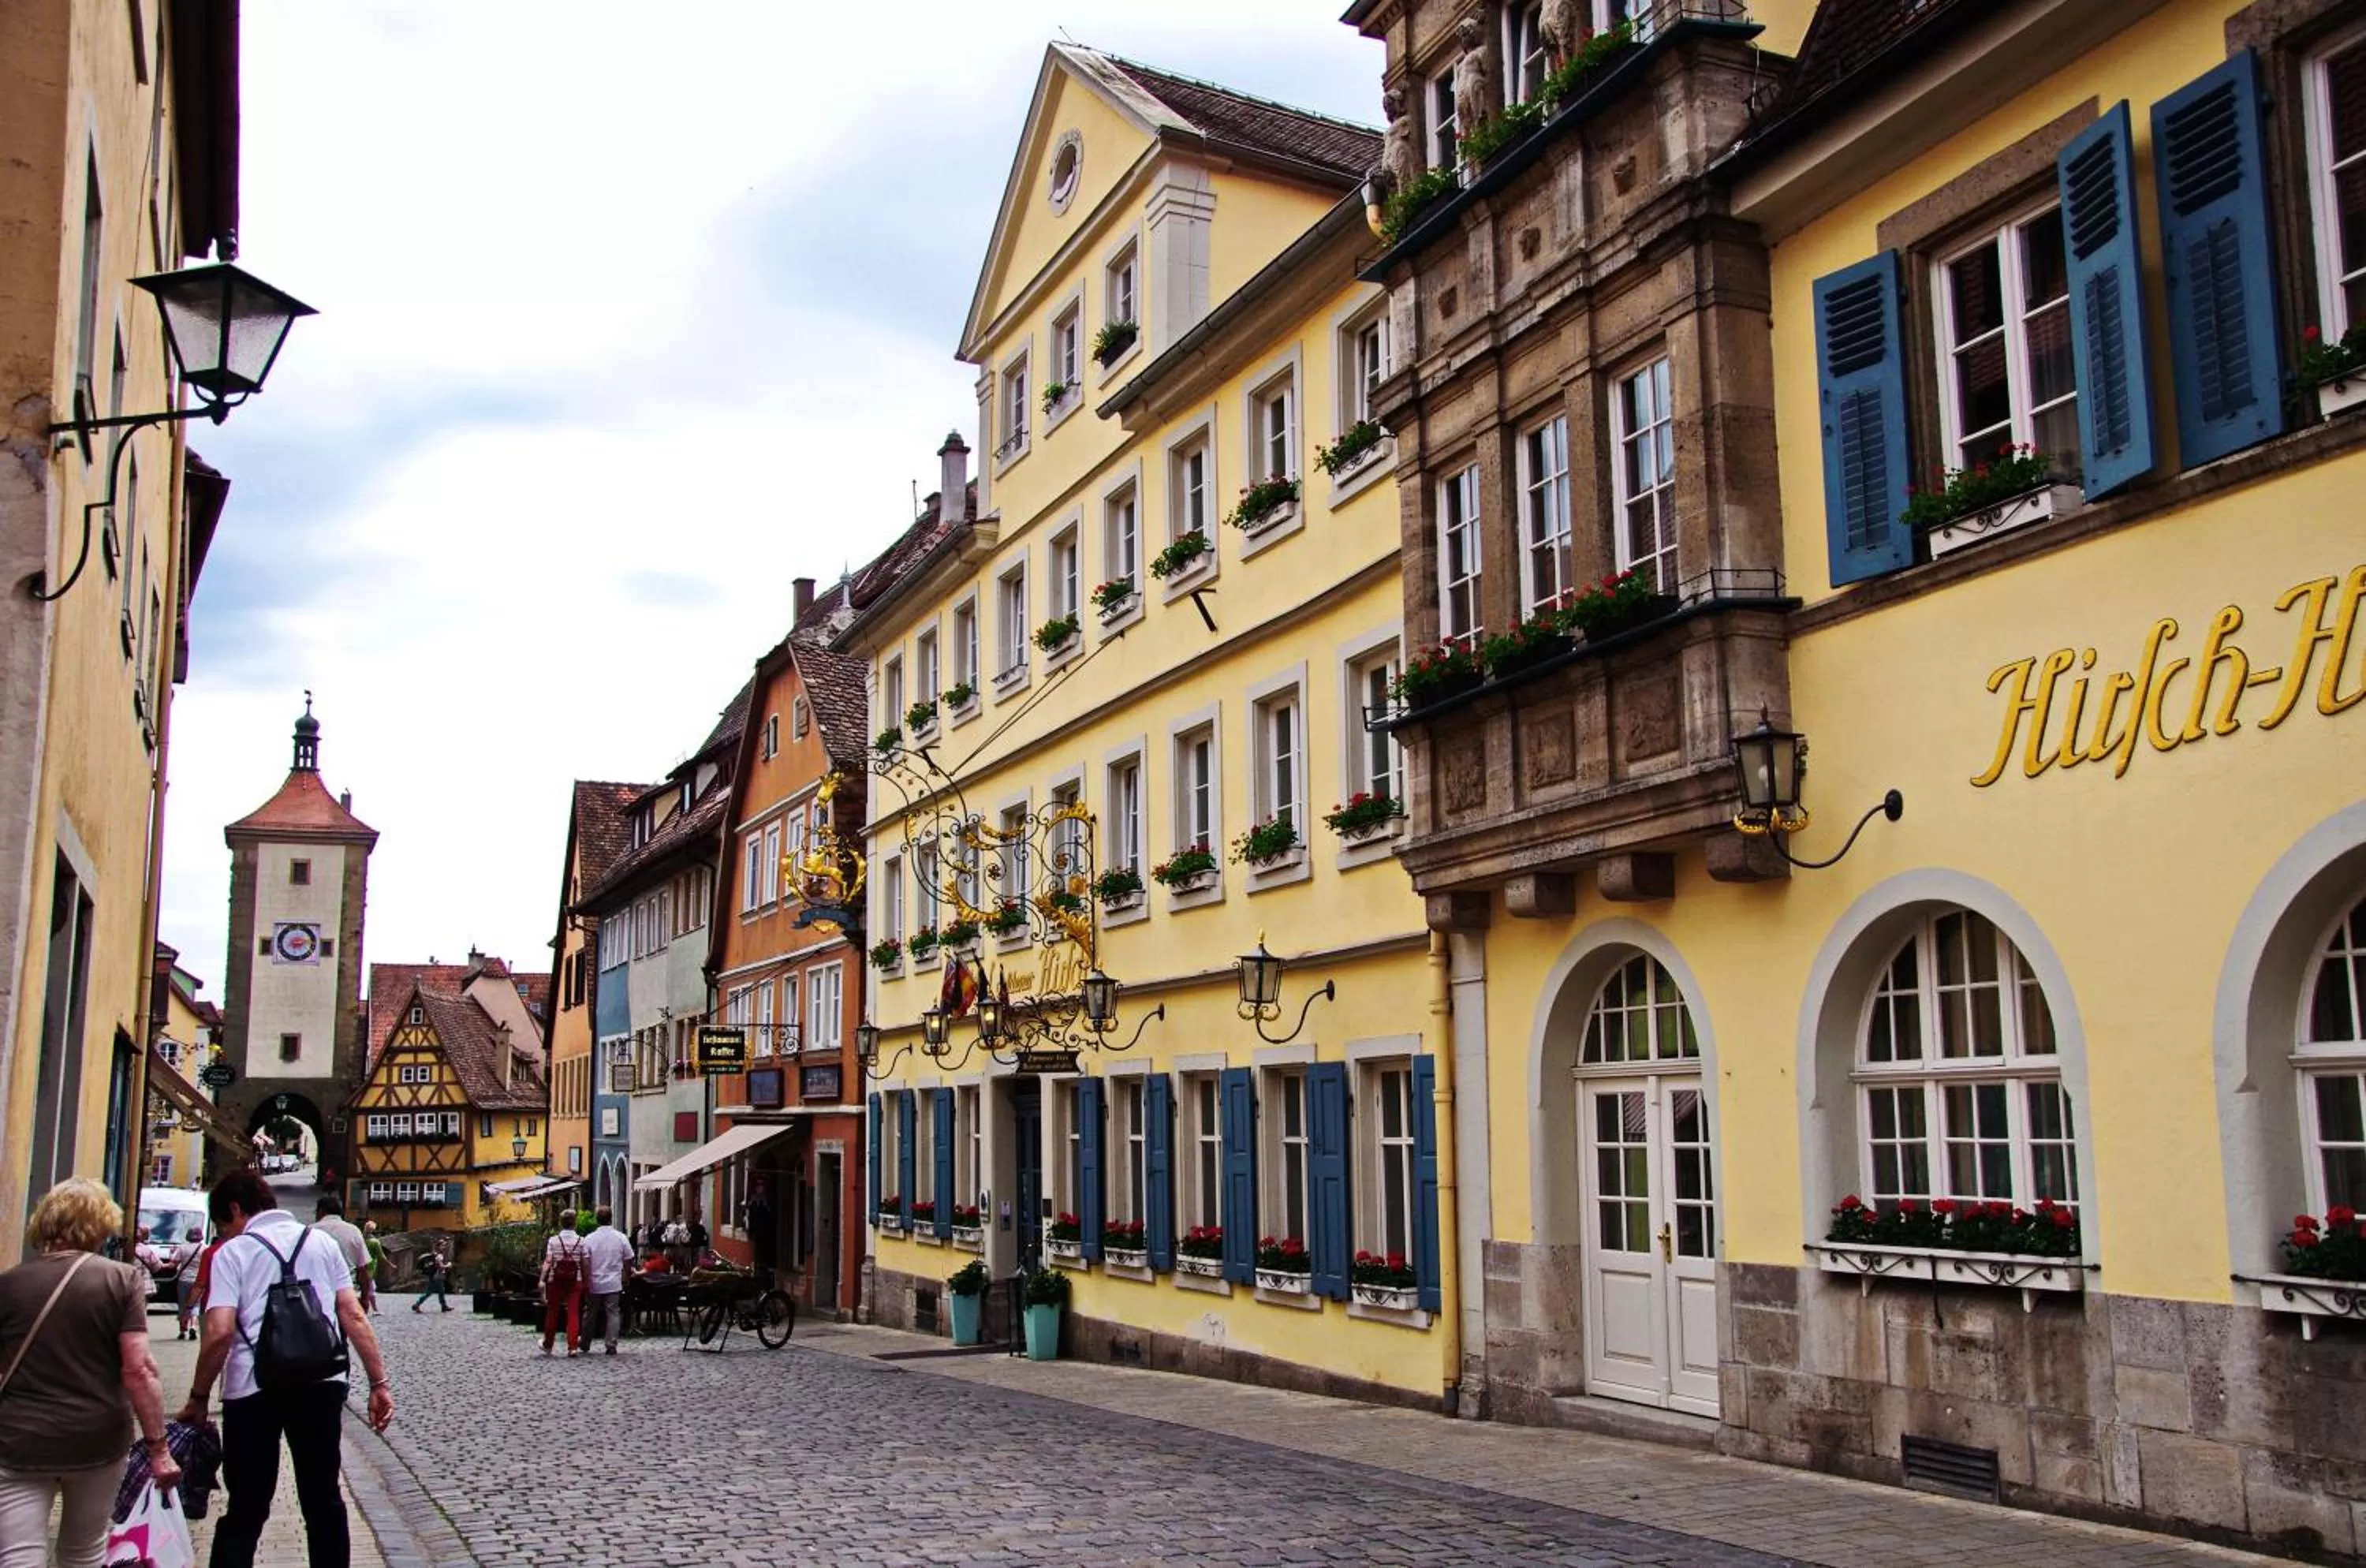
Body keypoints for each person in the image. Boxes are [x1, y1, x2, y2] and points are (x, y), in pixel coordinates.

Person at [181, 1165, 392, 1568]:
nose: (224, 1233)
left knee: (247, 1505)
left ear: (237, 1209)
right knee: (324, 1500)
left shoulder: (234, 1253)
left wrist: (198, 1396)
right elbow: (353, 1314)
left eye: (223, 1224)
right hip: (321, 1382)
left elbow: (221, 1332)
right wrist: (378, 1382)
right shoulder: (321, 1245)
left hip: (253, 1389)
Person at [0, 1178, 180, 1568]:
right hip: (96, 1438)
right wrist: (159, 1449)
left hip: (18, 1439)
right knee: (84, 1553)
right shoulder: (120, 1279)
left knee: (17, 1554)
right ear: (102, 1224)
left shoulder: (10, 1284)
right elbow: (138, 1369)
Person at [578, 1208, 634, 1357]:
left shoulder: (589, 1239)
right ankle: (611, 1344)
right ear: (611, 1218)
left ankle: (585, 1343)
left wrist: (586, 1279)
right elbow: (628, 1259)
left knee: (590, 1313)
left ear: (597, 1219)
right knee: (613, 1313)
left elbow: (585, 1261)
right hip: (613, 1282)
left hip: (594, 1281)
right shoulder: (620, 1237)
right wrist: (627, 1275)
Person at [311, 1194, 371, 1316]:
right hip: (346, 1293)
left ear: (321, 1212)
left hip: (316, 1294)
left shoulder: (310, 1231)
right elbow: (363, 1269)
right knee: (341, 1332)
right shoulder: (353, 1231)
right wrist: (365, 1298)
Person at [539, 1211, 589, 1358]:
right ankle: (572, 1347)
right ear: (575, 1223)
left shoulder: (554, 1241)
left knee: (552, 1311)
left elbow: (548, 1261)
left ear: (561, 1223)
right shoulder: (581, 1241)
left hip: (556, 1280)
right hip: (575, 1279)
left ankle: (548, 1344)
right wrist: (586, 1281)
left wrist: (542, 1279)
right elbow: (585, 1263)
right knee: (573, 1312)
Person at [410, 1245, 451, 1314]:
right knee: (429, 1293)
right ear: (438, 1247)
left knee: (441, 1292)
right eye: (443, 1245)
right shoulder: (439, 1256)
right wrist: (448, 1265)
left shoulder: (436, 1255)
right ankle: (417, 1305)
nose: (445, 1247)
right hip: (436, 1278)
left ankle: (444, 1306)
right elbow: (441, 1267)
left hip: (435, 1277)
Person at [360, 1223, 385, 1314]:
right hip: (370, 1267)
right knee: (370, 1288)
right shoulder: (374, 1242)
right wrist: (391, 1265)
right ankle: (373, 1309)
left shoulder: (361, 1239)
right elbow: (381, 1255)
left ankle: (367, 1308)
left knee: (365, 1288)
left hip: (360, 1266)